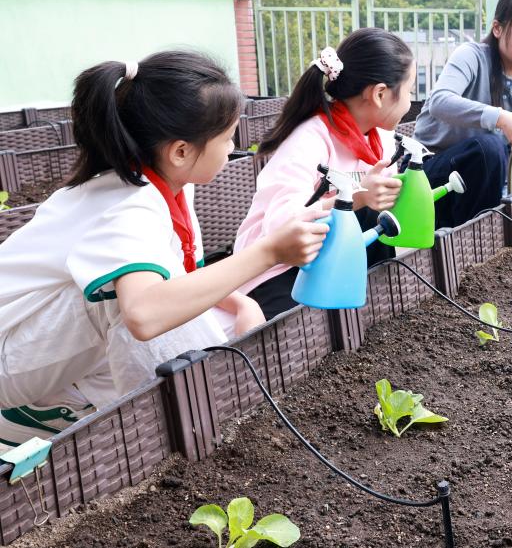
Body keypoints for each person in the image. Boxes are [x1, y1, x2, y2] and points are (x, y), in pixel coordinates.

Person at [0, 52, 327, 447]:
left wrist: (240, 302)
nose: (233, 148)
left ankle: (72, 409)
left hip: (33, 345)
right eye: (227, 137)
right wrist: (268, 253)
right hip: (6, 363)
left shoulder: (165, 185)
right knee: (136, 304)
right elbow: (144, 314)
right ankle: (186, 433)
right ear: (180, 152)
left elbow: (178, 281)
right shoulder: (128, 207)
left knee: (196, 318)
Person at [235, 28, 414, 320]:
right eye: (409, 91)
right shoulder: (309, 139)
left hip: (327, 263)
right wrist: (357, 196)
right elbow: (281, 226)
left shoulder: (379, 140)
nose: (409, 101)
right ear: (380, 94)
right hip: (275, 271)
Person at [414, 0, 512, 226]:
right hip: (428, 174)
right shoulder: (471, 56)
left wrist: (510, 196)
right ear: (497, 28)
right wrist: (501, 118)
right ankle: (467, 233)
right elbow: (439, 101)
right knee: (490, 147)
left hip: (477, 183)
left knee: (495, 154)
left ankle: (477, 233)